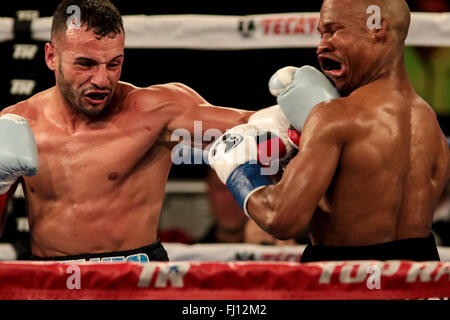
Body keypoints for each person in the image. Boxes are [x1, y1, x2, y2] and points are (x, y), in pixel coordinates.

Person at [0, 0, 260, 262]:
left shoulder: (156, 111)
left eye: (113, 64)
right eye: (86, 64)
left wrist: (295, 118)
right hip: (52, 280)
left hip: (133, 276)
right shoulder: (18, 123)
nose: (102, 80)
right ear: (51, 57)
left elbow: (257, 129)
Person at [209, 0, 450, 262]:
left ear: (376, 26)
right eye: (321, 34)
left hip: (348, 283)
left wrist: (237, 168)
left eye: (334, 30)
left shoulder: (334, 116)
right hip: (420, 282)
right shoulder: (431, 125)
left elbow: (279, 218)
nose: (322, 45)